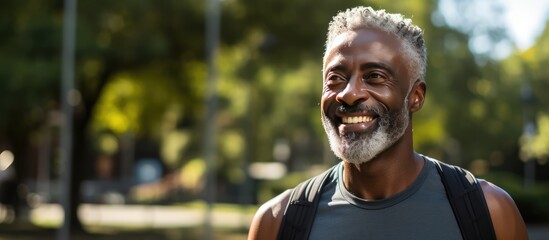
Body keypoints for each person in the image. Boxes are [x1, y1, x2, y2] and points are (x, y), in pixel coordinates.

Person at [248, 6, 528, 240]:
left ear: (415, 97)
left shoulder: (488, 212)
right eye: (335, 78)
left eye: (374, 76)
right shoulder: (278, 222)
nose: (349, 93)